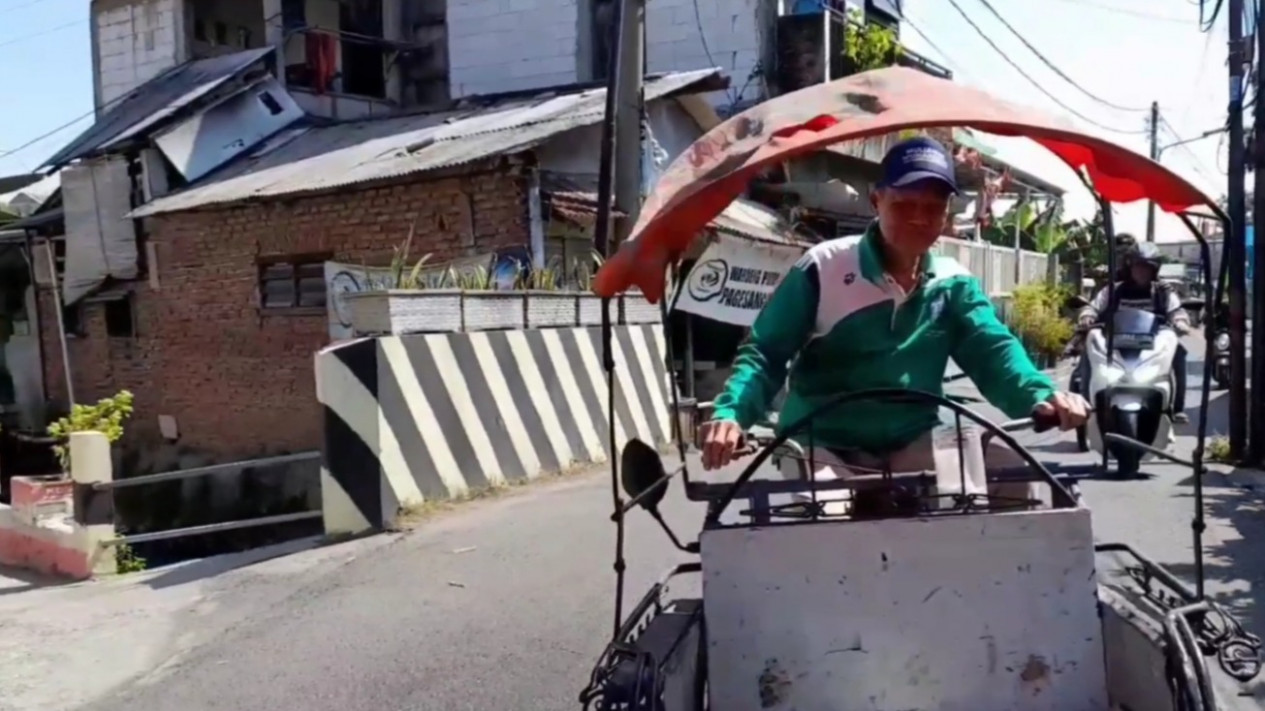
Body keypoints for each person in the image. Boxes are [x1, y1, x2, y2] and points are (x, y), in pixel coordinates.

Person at [699, 136, 1090, 512]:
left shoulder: (953, 284)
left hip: (913, 439)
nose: (919, 217)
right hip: (822, 442)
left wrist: (1042, 395)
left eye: (933, 206)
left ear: (947, 213)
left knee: (1015, 477)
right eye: (904, 204)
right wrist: (731, 415)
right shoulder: (824, 266)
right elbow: (766, 353)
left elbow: (994, 352)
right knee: (825, 522)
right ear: (877, 201)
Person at [1076, 242, 1192, 423]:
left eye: (1146, 267)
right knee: (1088, 349)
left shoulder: (1162, 291)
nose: (1141, 271)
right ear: (1129, 267)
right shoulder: (1113, 290)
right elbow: (1093, 307)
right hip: (1115, 344)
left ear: (1154, 269)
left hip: (1152, 346)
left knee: (1179, 351)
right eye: (1138, 266)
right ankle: (1085, 405)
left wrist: (1181, 322)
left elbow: (1176, 311)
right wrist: (1087, 316)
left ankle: (1177, 408)